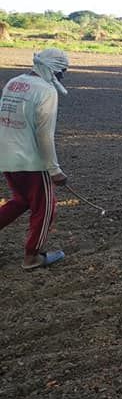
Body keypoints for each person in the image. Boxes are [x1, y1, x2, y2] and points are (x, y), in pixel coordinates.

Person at [0, 49, 70, 269]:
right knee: (46, 207)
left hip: (6, 156)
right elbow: (44, 134)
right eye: (62, 72)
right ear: (52, 69)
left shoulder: (14, 82)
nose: (62, 77)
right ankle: (32, 257)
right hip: (31, 161)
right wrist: (54, 169)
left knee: (21, 200)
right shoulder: (46, 91)